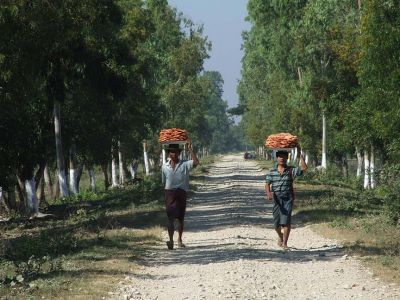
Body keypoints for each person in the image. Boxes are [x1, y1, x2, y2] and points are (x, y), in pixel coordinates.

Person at [265, 145, 307, 249]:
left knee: (286, 222)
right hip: (276, 199)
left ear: (287, 158)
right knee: (276, 225)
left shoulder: (291, 170)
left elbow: (304, 168)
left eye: (284, 157)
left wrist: (299, 153)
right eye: (280, 156)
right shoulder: (272, 171)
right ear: (277, 158)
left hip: (288, 198)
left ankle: (285, 243)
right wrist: (268, 193)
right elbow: (267, 184)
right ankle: (280, 237)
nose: (282, 158)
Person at [161, 141, 199, 250]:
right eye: (171, 152)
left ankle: (180, 239)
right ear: (169, 154)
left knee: (180, 218)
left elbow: (196, 163)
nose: (173, 154)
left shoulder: (185, 164)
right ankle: (171, 240)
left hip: (181, 193)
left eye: (176, 152)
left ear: (179, 153)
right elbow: (163, 182)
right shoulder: (164, 167)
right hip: (169, 194)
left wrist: (191, 150)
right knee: (170, 218)